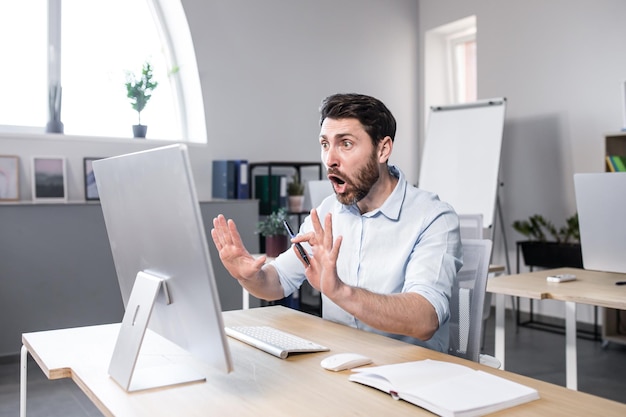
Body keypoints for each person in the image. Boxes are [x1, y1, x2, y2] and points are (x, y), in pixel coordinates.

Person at [211, 93, 462, 352]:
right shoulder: (328, 211)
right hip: (339, 364)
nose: (330, 159)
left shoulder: (433, 218)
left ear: (383, 149)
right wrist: (248, 277)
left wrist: (340, 291)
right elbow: (278, 281)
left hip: (407, 376)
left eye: (346, 144)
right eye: (325, 144)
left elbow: (425, 319)